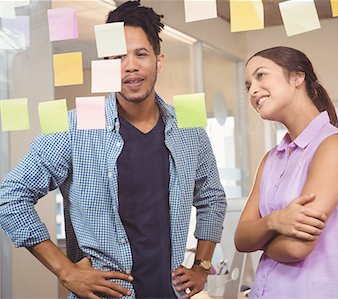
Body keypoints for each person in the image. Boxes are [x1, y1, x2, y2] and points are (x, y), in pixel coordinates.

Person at [0, 1, 226, 298]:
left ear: (159, 60)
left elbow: (212, 198)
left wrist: (201, 265)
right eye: (116, 57)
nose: (130, 65)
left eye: (140, 54)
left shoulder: (189, 130)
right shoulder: (75, 128)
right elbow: (11, 196)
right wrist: (65, 271)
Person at [235, 46, 338, 298]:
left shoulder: (334, 146)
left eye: (261, 75)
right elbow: (241, 238)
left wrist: (259, 239)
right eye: (248, 85)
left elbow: (296, 246)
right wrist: (275, 222)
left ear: (298, 77)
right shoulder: (270, 160)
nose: (253, 90)